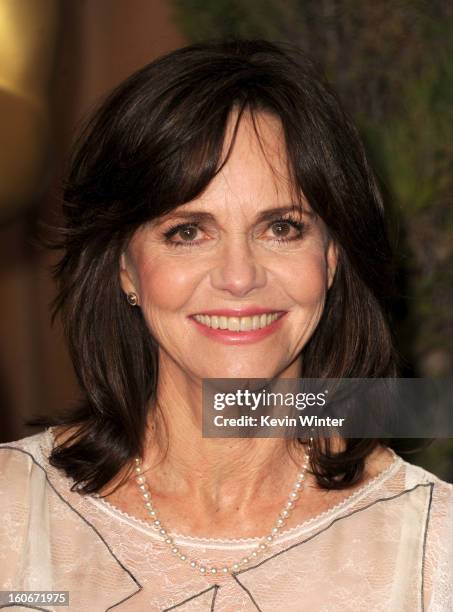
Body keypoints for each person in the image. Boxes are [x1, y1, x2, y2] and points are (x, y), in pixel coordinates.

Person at [0, 39, 451, 612]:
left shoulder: (432, 551)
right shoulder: (12, 515)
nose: (239, 278)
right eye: (188, 231)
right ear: (125, 267)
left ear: (332, 256)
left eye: (282, 228)